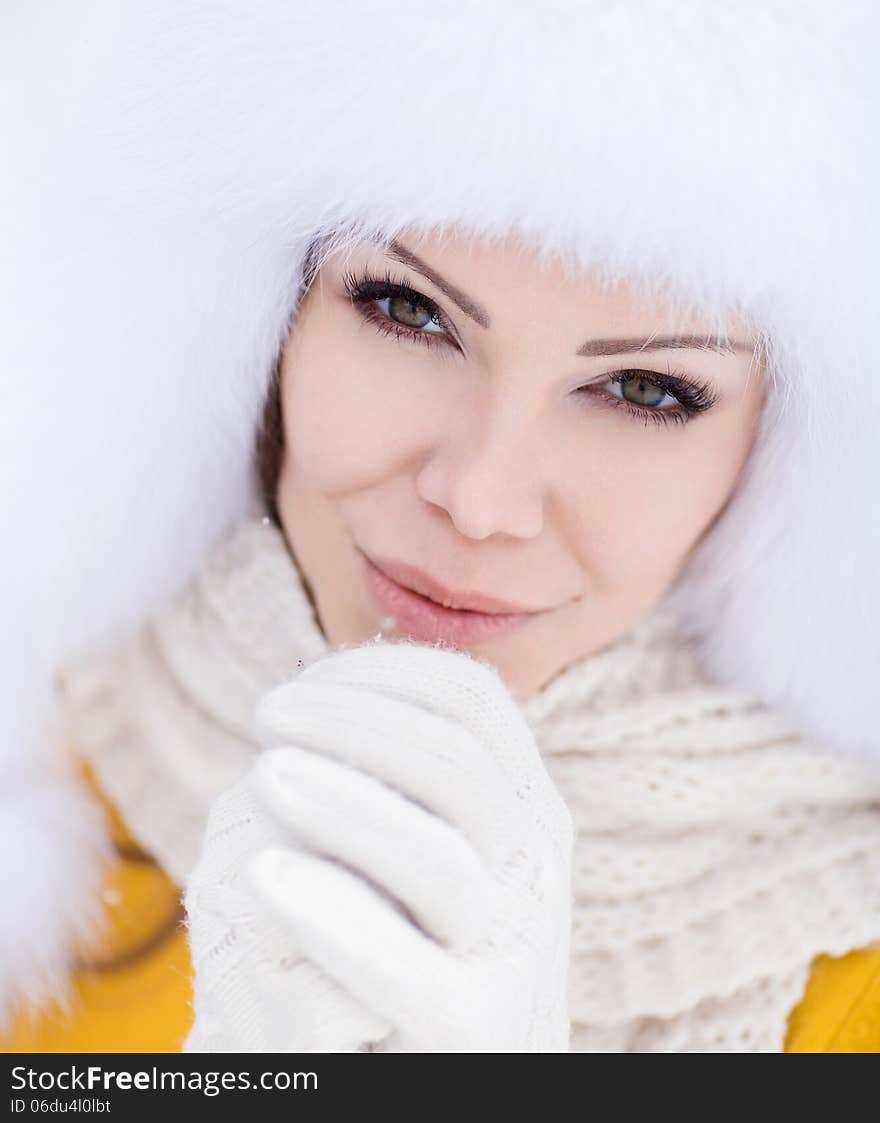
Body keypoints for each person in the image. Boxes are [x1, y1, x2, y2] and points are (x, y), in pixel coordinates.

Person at [2, 1, 879, 1052]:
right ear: (264, 319)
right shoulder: (46, 772)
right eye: (407, 312)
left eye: (646, 388)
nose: (479, 499)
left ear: (791, 462)